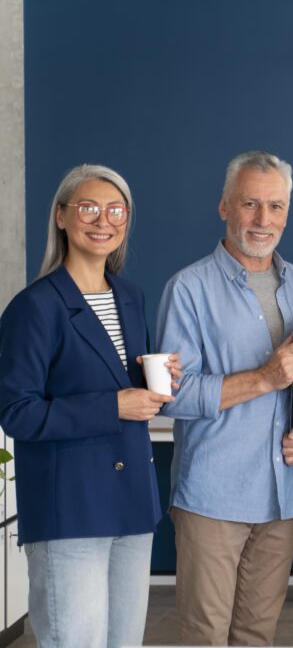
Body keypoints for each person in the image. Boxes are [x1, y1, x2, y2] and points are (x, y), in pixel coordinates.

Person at [0, 165, 181, 648]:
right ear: (61, 216)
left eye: (116, 210)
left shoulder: (130, 296)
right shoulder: (33, 306)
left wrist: (154, 382)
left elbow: (113, 380)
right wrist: (114, 405)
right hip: (70, 509)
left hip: (131, 506)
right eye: (88, 207)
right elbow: (17, 412)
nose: (104, 220)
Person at [156, 151, 293, 645]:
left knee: (257, 634)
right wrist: (263, 378)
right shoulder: (188, 289)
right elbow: (173, 396)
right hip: (214, 496)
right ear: (224, 207)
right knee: (205, 635)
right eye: (250, 204)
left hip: (282, 495)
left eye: (275, 206)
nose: (262, 219)